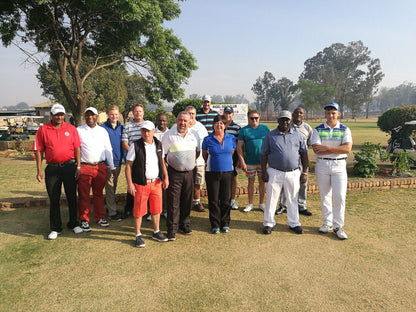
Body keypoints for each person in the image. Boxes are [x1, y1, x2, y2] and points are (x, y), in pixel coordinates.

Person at [34, 104, 82, 240]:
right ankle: (55, 227)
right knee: (54, 198)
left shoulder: (71, 129)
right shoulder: (43, 130)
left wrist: (78, 167)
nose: (59, 117)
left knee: (72, 196)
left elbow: (77, 148)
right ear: (51, 115)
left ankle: (73, 223)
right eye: (56, 115)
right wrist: (39, 170)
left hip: (69, 166)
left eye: (61, 114)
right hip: (52, 168)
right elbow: (39, 151)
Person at [261, 111, 308, 235]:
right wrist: (263, 172)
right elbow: (264, 155)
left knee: (292, 198)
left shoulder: (297, 135)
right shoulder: (270, 136)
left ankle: (294, 223)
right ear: (278, 121)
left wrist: (305, 172)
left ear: (290, 121)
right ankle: (268, 223)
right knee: (271, 199)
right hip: (275, 172)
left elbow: (304, 154)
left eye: (287, 120)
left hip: (293, 173)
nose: (285, 122)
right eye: (282, 120)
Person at [311, 102, 353, 240]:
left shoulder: (345, 129)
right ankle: (327, 223)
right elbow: (316, 149)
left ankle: (338, 226)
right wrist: (337, 149)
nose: (330, 115)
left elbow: (347, 149)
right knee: (325, 196)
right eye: (328, 113)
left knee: (340, 196)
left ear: (338, 114)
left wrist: (327, 148)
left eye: (333, 113)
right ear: (325, 114)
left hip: (339, 166)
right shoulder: (317, 129)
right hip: (322, 165)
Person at [125, 121, 169, 247]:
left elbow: (162, 162)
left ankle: (156, 231)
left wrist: (166, 177)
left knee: (156, 209)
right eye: (144, 130)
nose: (146, 133)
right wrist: (130, 184)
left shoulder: (158, 144)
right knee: (139, 210)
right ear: (141, 131)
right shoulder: (135, 145)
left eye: (149, 130)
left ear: (153, 131)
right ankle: (138, 234)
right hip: (141, 183)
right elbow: (128, 166)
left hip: (156, 182)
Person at [162, 111, 200, 241]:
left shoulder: (194, 135)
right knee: (173, 201)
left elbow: (198, 152)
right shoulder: (168, 135)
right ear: (176, 120)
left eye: (185, 121)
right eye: (180, 120)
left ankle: (185, 225)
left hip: (189, 173)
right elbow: (163, 156)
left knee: (187, 200)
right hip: (174, 172)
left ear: (190, 122)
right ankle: (172, 229)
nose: (182, 123)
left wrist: (187, 163)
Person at [77, 107, 116, 232]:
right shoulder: (79, 130)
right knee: (84, 195)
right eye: (87, 115)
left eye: (92, 115)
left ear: (97, 116)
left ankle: (100, 217)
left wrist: (112, 166)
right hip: (85, 166)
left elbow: (108, 149)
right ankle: (84, 219)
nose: (90, 117)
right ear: (85, 117)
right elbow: (76, 149)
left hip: (100, 167)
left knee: (98, 194)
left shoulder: (102, 131)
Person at [202, 115, 236, 233]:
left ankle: (225, 222)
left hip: (227, 172)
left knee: (226, 198)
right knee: (214, 199)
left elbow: (231, 152)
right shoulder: (207, 139)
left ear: (225, 125)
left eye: (222, 123)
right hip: (212, 173)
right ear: (213, 125)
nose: (219, 125)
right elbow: (204, 155)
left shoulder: (231, 138)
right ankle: (215, 224)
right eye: (217, 123)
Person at [276, 107, 313, 216]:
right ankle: (283, 205)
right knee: (285, 183)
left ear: (304, 115)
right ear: (292, 115)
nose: (298, 114)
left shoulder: (307, 128)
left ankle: (301, 205)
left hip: (301, 161)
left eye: (301, 113)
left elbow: (309, 144)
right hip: (288, 161)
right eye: (296, 112)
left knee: (303, 183)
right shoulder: (286, 125)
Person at [237, 110, 270, 212]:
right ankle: (250, 203)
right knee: (250, 182)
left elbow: (270, 144)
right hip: (249, 162)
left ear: (259, 118)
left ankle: (261, 203)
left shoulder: (265, 129)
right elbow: (239, 147)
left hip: (262, 162)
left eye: (256, 118)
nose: (254, 120)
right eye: (252, 118)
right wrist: (242, 161)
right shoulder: (244, 130)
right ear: (248, 119)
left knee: (262, 182)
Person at [101, 105, 124, 222]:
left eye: (116, 114)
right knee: (109, 187)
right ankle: (112, 212)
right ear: (107, 115)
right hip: (107, 163)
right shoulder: (102, 128)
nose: (114, 116)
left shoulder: (121, 128)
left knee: (113, 186)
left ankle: (110, 207)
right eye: (111, 114)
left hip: (118, 162)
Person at [121, 104, 144, 218]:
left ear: (143, 113)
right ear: (133, 113)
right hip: (132, 160)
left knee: (145, 184)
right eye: (136, 111)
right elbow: (125, 142)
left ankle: (145, 208)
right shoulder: (127, 126)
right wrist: (135, 155)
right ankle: (129, 208)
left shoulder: (147, 125)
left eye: (140, 111)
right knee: (132, 184)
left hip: (145, 160)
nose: (138, 113)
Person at [186, 105, 209, 212]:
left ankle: (197, 202)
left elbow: (205, 143)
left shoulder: (201, 127)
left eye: (193, 114)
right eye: (189, 113)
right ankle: (186, 203)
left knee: (197, 182)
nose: (191, 116)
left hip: (199, 161)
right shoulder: (180, 125)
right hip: (184, 162)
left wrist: (205, 159)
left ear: (195, 115)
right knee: (186, 183)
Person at [224, 106, 241, 210]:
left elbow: (240, 145)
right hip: (222, 156)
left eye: (230, 113)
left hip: (233, 157)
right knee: (222, 177)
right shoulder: (220, 125)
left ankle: (232, 200)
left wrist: (239, 158)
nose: (228, 115)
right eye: (226, 113)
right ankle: (223, 199)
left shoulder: (237, 128)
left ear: (233, 115)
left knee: (233, 177)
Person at [154, 112, 170, 218]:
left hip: (168, 164)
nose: (162, 122)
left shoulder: (171, 133)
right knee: (155, 188)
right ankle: (154, 211)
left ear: (167, 121)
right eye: (160, 120)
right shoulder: (152, 133)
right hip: (154, 164)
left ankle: (165, 210)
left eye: (164, 120)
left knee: (166, 188)